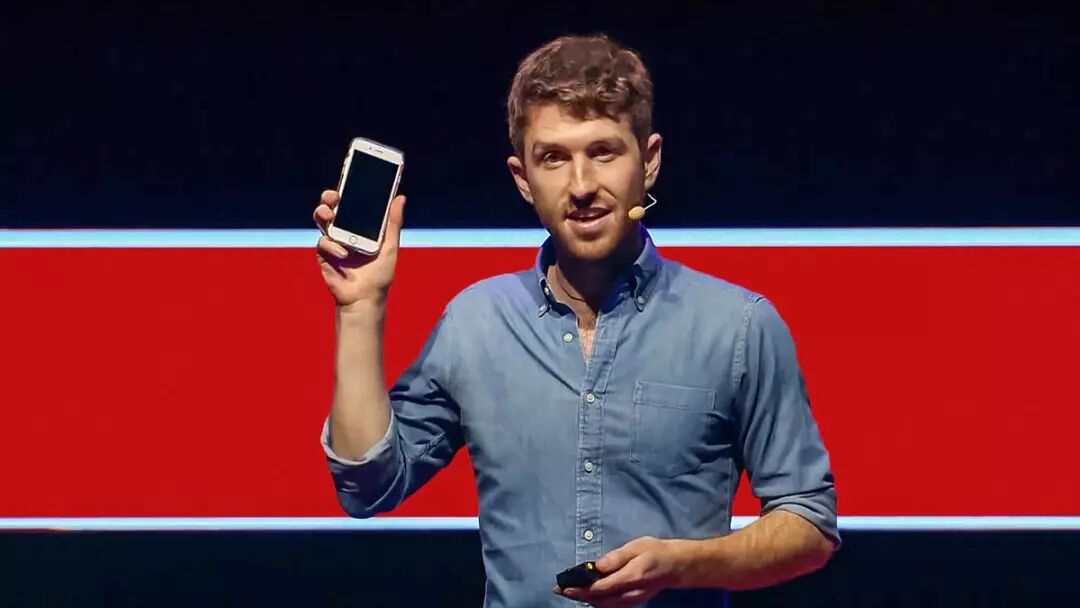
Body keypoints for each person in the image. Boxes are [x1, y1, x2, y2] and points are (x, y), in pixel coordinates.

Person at [313, 34, 838, 607]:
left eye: (604, 152)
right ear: (523, 179)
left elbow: (809, 526)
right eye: (554, 158)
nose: (582, 186)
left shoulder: (737, 326)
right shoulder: (475, 323)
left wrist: (685, 564)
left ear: (650, 161)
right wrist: (359, 308)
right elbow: (369, 487)